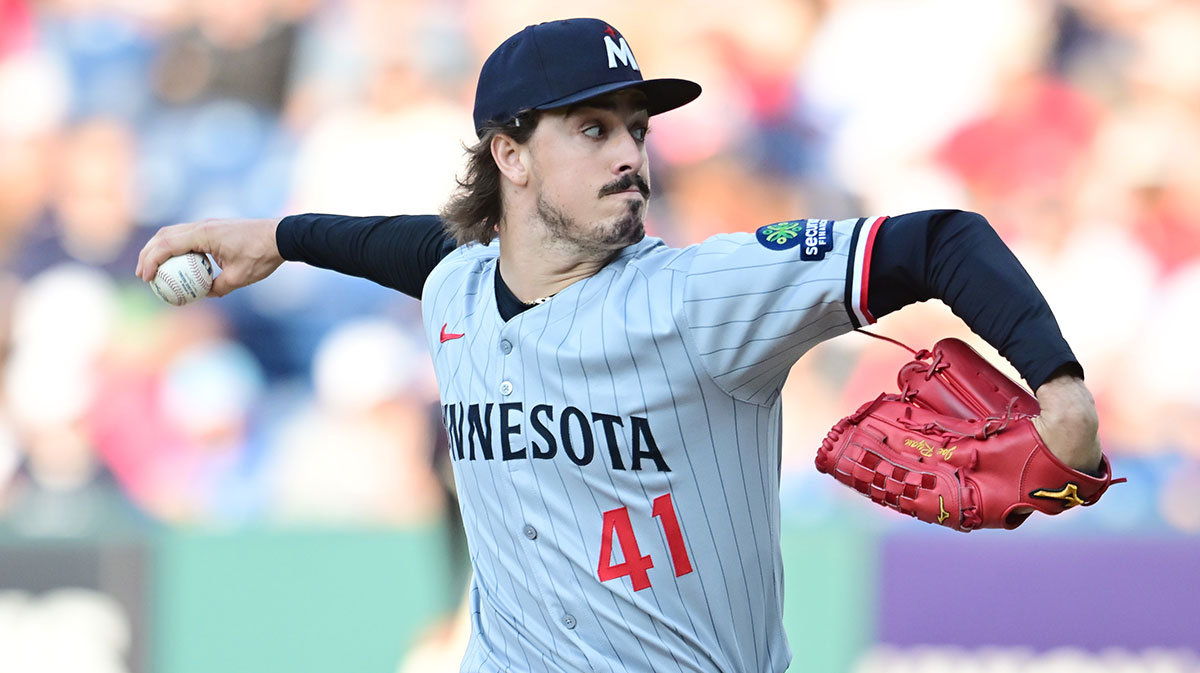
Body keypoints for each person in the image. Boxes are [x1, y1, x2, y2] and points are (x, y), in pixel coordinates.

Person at [137, 18, 1102, 673]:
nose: (630, 154)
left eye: (636, 129)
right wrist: (274, 236)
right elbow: (410, 245)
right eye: (593, 128)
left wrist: (1057, 385)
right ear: (509, 155)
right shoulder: (458, 281)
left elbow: (937, 241)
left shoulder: (700, 296)